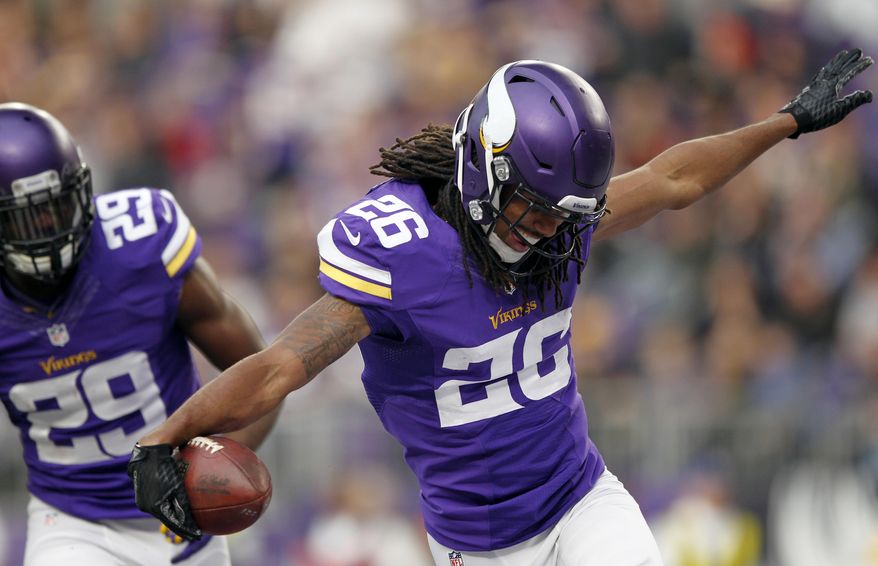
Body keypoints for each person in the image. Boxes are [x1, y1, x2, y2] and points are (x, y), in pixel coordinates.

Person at [128, 49, 873, 565]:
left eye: (563, 213)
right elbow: (279, 368)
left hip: (581, 498)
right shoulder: (406, 254)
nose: (548, 228)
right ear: (484, 160)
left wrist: (787, 123)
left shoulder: (563, 217)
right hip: (477, 543)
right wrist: (166, 436)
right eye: (532, 205)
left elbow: (673, 178)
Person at [0, 103, 280, 565]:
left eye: (59, 206)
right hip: (73, 523)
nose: (50, 231)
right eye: (29, 219)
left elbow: (259, 371)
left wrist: (210, 471)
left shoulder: (140, 248)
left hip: (185, 518)